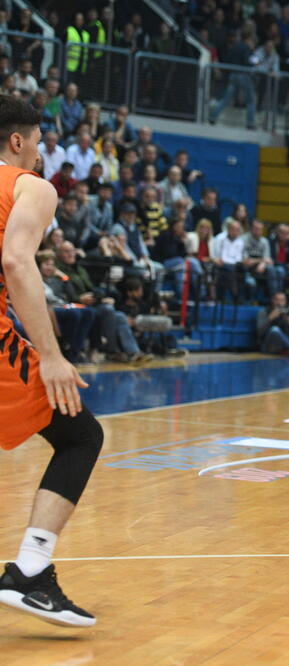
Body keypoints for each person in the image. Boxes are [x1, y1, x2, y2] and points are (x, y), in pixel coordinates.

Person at [0, 95, 102, 627]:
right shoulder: (30, 185)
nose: (41, 154)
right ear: (18, 142)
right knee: (80, 435)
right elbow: (17, 260)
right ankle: (31, 571)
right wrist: (53, 355)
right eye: (38, 143)